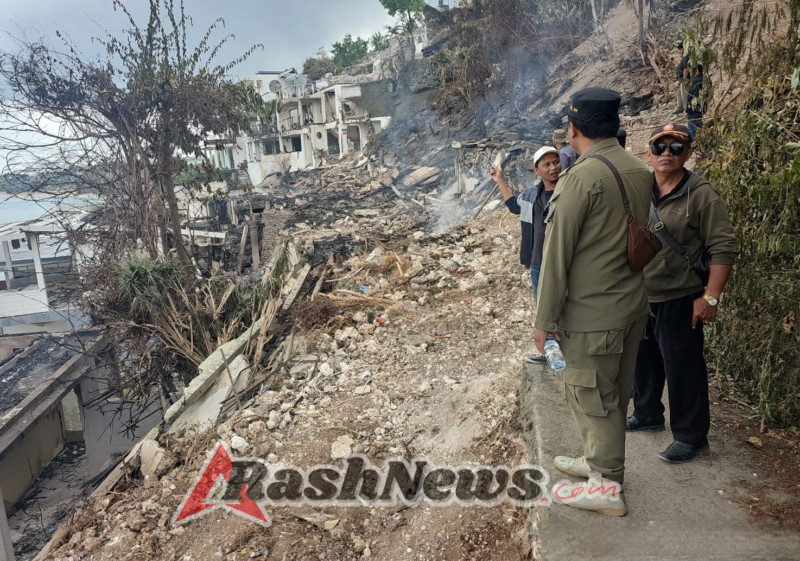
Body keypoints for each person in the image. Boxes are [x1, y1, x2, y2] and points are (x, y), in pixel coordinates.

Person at [533, 87, 652, 516]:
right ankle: (597, 460)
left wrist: (543, 320)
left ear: (574, 128)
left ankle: (607, 489)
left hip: (592, 315)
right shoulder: (639, 168)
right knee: (614, 393)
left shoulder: (581, 178)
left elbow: (556, 255)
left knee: (592, 396)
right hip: (631, 306)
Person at [627, 122, 736, 463]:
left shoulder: (701, 194)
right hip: (643, 294)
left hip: (680, 296)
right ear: (649, 153)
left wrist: (711, 298)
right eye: (660, 147)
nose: (667, 154)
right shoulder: (641, 189)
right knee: (643, 362)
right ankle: (647, 413)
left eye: (676, 148)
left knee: (683, 368)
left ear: (687, 154)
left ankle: (691, 437)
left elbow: (723, 247)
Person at [490, 146, 562, 363]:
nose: (553, 168)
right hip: (538, 263)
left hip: (563, 262)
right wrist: (499, 180)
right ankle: (551, 350)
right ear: (536, 171)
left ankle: (570, 349)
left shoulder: (570, 191)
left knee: (565, 307)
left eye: (556, 162)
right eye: (546, 164)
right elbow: (513, 206)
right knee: (543, 309)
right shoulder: (532, 195)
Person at [686, 64, 705, 139]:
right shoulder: (705, 80)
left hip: (694, 108)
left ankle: (694, 143)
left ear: (697, 71)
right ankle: (700, 140)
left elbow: (690, 96)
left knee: (692, 127)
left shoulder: (695, 82)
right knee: (699, 124)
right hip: (702, 106)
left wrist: (687, 111)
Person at [675, 42, 689, 113]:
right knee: (679, 93)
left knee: (684, 93)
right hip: (681, 78)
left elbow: (686, 69)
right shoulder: (684, 56)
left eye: (681, 49)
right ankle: (680, 108)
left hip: (684, 78)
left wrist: (685, 79)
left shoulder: (686, 56)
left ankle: (685, 108)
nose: (680, 51)